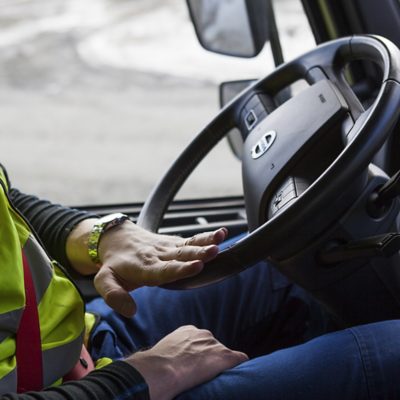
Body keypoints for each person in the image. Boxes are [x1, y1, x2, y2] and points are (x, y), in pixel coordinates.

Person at [2, 163, 400, 400]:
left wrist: (103, 237)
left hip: (79, 345)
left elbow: (8, 197)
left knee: (293, 255)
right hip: (105, 387)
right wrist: (148, 375)